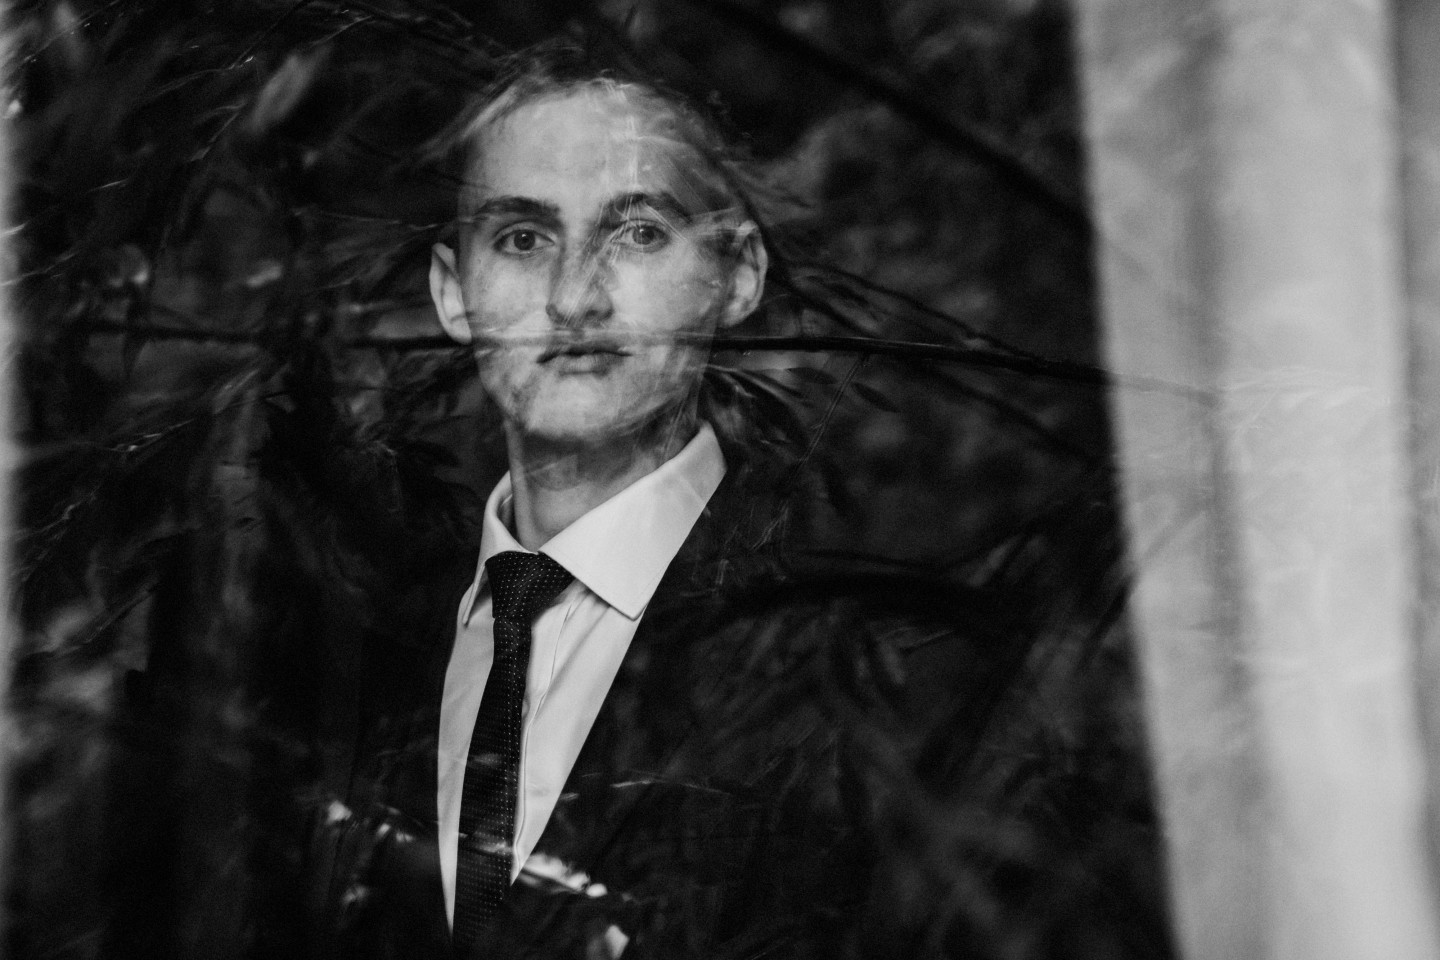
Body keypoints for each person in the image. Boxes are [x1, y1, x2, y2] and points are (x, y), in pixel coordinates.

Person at [313, 42, 1170, 960]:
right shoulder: (357, 646)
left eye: (638, 233)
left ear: (738, 274)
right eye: (523, 239)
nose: (574, 297)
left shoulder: (887, 653)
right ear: (453, 293)